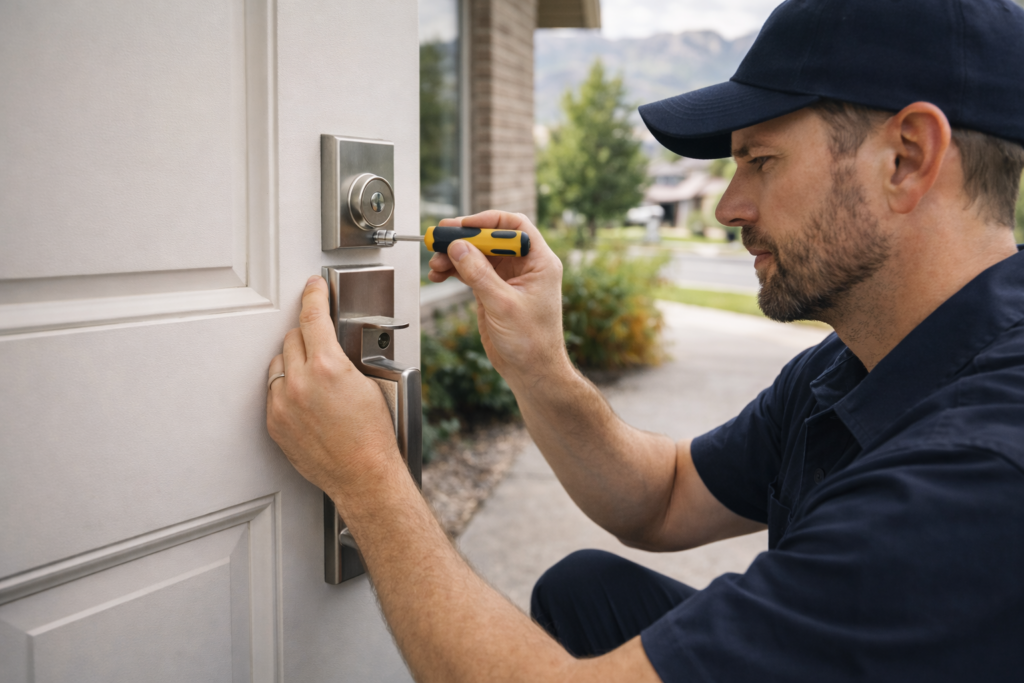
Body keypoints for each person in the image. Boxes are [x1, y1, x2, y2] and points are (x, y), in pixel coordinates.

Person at [265, 0, 1024, 679]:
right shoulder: (861, 363)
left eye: (760, 161)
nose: (728, 206)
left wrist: (367, 476)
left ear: (908, 158)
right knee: (586, 590)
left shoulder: (977, 473)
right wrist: (538, 363)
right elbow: (663, 497)